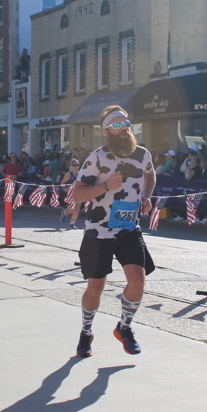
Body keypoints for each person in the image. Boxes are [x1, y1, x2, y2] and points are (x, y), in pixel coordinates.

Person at [70, 106, 156, 357]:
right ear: (106, 130)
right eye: (117, 125)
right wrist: (106, 186)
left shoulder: (142, 154)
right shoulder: (98, 158)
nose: (124, 128)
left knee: (138, 280)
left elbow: (150, 175)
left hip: (129, 228)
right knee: (95, 287)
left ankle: (124, 327)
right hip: (99, 231)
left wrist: (147, 196)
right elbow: (77, 194)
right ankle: (86, 331)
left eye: (126, 123)